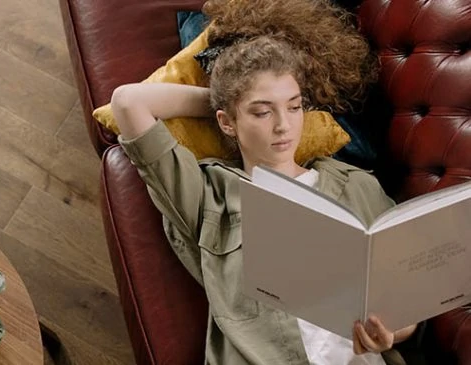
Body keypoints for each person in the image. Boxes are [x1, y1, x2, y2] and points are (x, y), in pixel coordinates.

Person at [111, 36, 421, 365]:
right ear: (226, 122)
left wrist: (390, 333)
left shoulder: (357, 186)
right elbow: (129, 103)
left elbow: (405, 305)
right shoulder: (210, 196)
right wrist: (227, 101)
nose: (283, 125)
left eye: (294, 106)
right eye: (262, 112)